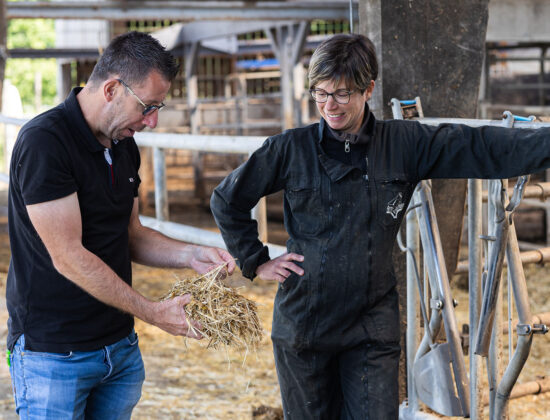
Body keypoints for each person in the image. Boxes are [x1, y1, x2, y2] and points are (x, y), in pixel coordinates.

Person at [210, 33, 550, 419]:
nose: (329, 106)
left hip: (370, 327)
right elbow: (226, 199)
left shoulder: (403, 144)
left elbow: (480, 147)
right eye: (320, 94)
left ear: (368, 88)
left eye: (341, 93)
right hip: (305, 325)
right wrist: (256, 260)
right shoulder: (291, 149)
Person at [6, 31, 235, 419]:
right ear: (112, 88)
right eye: (147, 106)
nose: (153, 121)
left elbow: (132, 235)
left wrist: (191, 254)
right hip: (57, 353)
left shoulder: (123, 143)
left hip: (118, 348)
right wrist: (153, 311)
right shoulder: (45, 143)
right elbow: (69, 256)